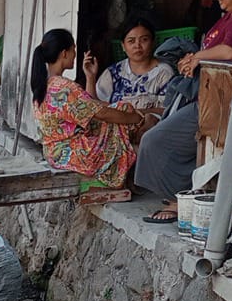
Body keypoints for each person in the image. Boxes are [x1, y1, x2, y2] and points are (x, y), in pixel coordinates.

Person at [133, 0, 232, 222]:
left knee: (156, 140)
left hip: (222, 102)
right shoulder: (228, 17)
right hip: (206, 96)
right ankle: (182, 197)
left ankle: (182, 200)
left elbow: (231, 51)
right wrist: (192, 60)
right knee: (157, 139)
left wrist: (198, 58)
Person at [31, 28, 147, 190]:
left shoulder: (45, 84)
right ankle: (127, 167)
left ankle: (132, 156)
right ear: (64, 53)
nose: (75, 55)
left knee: (121, 109)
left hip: (54, 153)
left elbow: (91, 107)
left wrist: (90, 77)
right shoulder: (65, 87)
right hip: (75, 154)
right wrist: (136, 118)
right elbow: (102, 113)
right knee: (122, 112)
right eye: (73, 50)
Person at [84, 17, 175, 112]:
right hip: (114, 124)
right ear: (123, 46)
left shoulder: (164, 73)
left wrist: (131, 114)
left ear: (152, 43)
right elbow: (93, 105)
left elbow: (167, 111)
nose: (137, 46)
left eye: (144, 40)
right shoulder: (114, 72)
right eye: (131, 41)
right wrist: (90, 77)